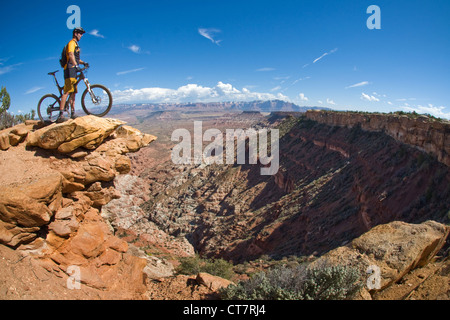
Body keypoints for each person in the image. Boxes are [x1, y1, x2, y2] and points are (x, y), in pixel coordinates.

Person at [57, 27, 88, 123]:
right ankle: (60, 115)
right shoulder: (71, 43)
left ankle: (73, 113)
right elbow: (70, 55)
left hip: (73, 69)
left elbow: (76, 59)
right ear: (75, 33)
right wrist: (76, 65)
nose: (81, 35)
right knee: (67, 91)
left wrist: (83, 63)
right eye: (80, 33)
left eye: (82, 33)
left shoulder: (76, 45)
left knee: (73, 91)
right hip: (69, 69)